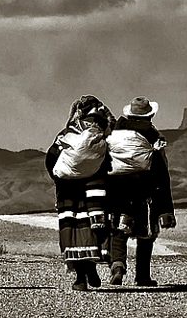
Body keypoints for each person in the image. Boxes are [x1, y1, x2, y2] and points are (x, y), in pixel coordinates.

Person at [46, 95, 115, 291]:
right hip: (94, 196)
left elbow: (52, 161)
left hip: (69, 195)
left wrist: (59, 178)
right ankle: (90, 268)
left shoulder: (67, 133)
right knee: (92, 231)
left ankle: (80, 277)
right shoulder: (104, 133)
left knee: (74, 233)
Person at [106, 96, 176, 287]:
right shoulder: (152, 135)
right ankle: (142, 275)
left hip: (118, 189)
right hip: (144, 192)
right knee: (146, 235)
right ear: (149, 115)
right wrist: (166, 209)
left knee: (119, 230)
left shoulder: (115, 132)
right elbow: (161, 174)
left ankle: (118, 266)